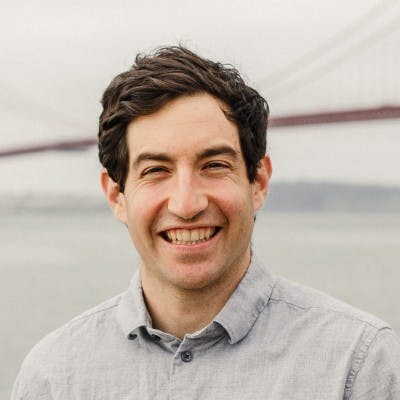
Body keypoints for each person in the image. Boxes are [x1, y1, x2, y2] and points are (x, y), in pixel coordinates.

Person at [12, 46, 400, 399]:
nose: (187, 204)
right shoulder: (51, 378)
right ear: (117, 196)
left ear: (258, 182)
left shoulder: (360, 365)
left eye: (214, 165)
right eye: (156, 170)